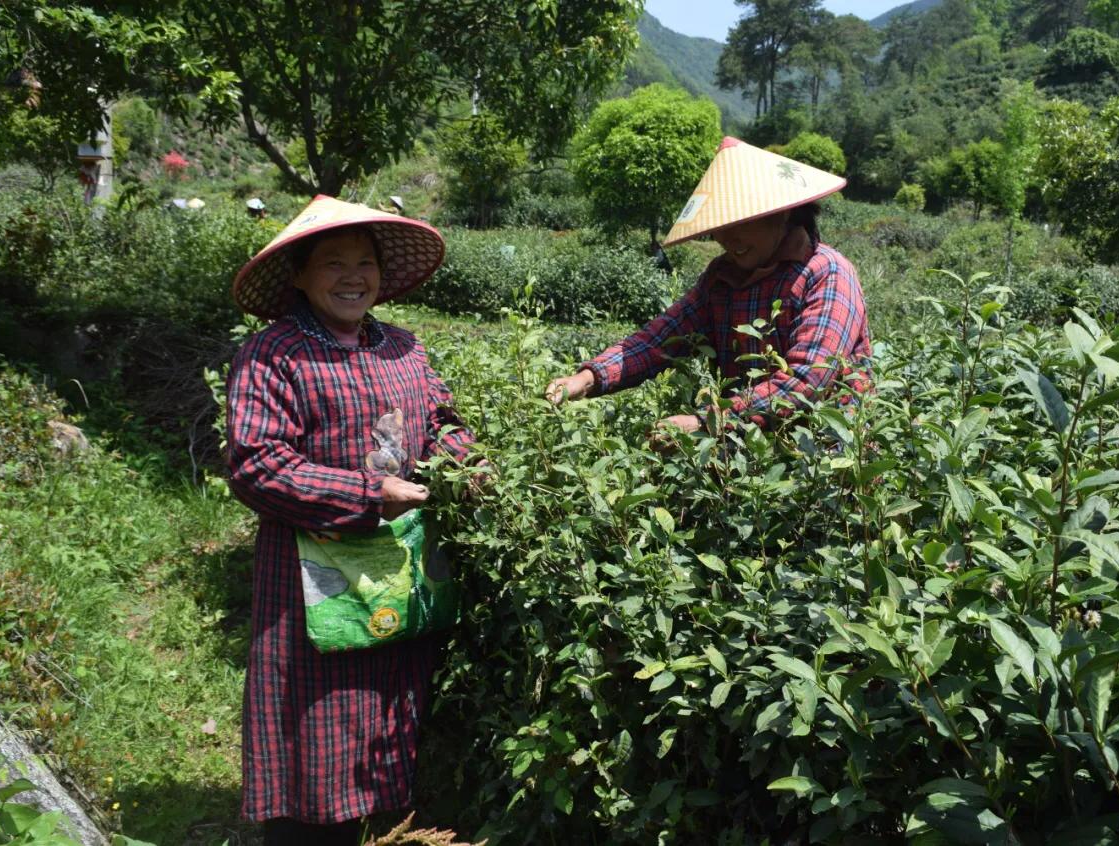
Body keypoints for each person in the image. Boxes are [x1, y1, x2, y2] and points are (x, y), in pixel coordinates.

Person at [225, 195, 474, 845]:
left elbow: (445, 426)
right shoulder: (272, 354)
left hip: (398, 565)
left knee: (388, 703)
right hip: (306, 577)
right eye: (332, 262)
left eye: (364, 262)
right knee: (313, 718)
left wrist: (463, 466)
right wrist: (367, 494)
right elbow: (256, 463)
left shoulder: (404, 348)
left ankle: (381, 824)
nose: (352, 276)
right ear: (299, 276)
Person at [546, 137, 872, 434]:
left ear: (783, 213)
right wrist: (588, 378)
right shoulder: (722, 278)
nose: (728, 238)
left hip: (825, 468)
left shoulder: (828, 274)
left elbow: (807, 382)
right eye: (720, 225)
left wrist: (707, 422)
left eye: (743, 222)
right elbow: (658, 339)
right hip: (743, 463)